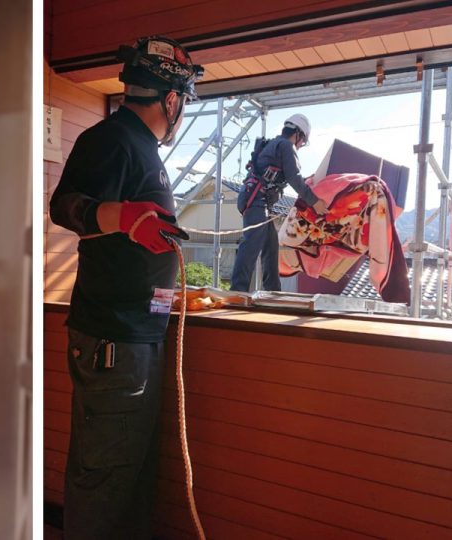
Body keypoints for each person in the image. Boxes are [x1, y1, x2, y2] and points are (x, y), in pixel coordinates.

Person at [48, 35, 196, 539]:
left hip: (133, 337)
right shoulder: (112, 139)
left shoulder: (139, 147)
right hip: (114, 340)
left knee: (127, 471)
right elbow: (64, 206)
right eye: (183, 102)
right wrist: (123, 218)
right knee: (106, 476)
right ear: (172, 100)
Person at [231, 113, 329, 291]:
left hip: (256, 200)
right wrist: (315, 202)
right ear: (297, 134)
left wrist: (306, 181)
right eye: (303, 141)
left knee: (270, 246)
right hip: (257, 201)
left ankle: (273, 291)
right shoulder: (286, 146)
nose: (301, 145)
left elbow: (288, 176)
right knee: (251, 244)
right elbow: (293, 177)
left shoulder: (275, 144)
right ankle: (237, 290)